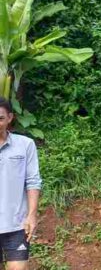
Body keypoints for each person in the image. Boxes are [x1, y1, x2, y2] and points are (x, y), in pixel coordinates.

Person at [0, 98, 41, 270]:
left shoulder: (25, 145)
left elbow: (33, 181)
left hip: (17, 225)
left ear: (10, 118)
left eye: (0, 118)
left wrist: (32, 215)